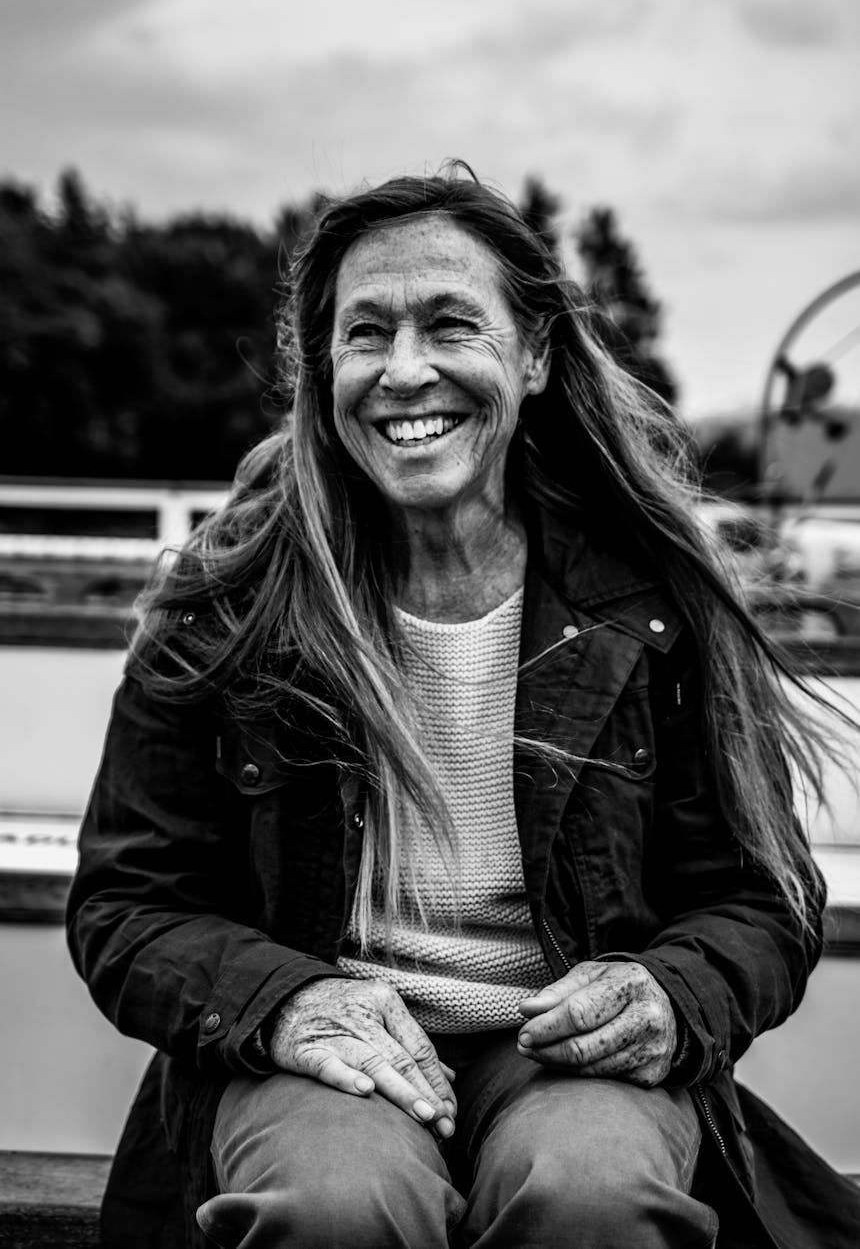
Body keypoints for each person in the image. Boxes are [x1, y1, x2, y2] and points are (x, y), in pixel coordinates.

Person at [67, 166, 860, 1249]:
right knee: (334, 1209)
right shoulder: (227, 603)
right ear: (321, 368)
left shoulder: (656, 601)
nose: (404, 372)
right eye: (365, 334)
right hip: (319, 1059)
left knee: (592, 1200)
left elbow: (763, 900)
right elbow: (127, 905)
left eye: (448, 324)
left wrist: (669, 991)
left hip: (562, 1062)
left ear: (532, 357)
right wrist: (287, 1004)